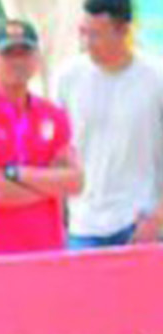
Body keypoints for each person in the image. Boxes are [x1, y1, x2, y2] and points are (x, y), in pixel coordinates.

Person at [0, 19, 84, 258]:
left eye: (25, 53)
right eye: (8, 53)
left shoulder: (52, 114)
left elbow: (75, 182)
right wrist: (50, 186)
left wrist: (14, 175)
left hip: (48, 251)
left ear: (37, 58)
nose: (17, 61)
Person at [56, 0, 163, 248]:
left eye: (96, 35)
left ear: (124, 31)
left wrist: (157, 218)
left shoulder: (156, 77)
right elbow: (59, 152)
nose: (86, 43)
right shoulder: (68, 77)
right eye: (83, 32)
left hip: (140, 221)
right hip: (83, 224)